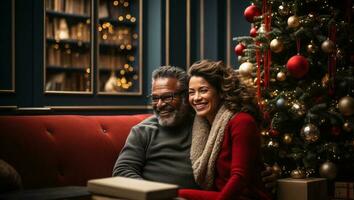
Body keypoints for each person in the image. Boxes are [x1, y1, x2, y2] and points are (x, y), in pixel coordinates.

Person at [112, 65, 276, 191]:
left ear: (185, 96)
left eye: (168, 97)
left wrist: (263, 172)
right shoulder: (143, 130)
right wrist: (156, 195)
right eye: (155, 98)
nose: (160, 104)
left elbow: (236, 162)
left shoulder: (209, 125)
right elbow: (122, 171)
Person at [179, 60, 271, 199]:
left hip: (246, 197)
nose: (196, 98)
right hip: (221, 195)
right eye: (192, 92)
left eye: (203, 90)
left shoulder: (242, 121)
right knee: (170, 194)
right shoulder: (202, 124)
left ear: (221, 92)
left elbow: (240, 177)